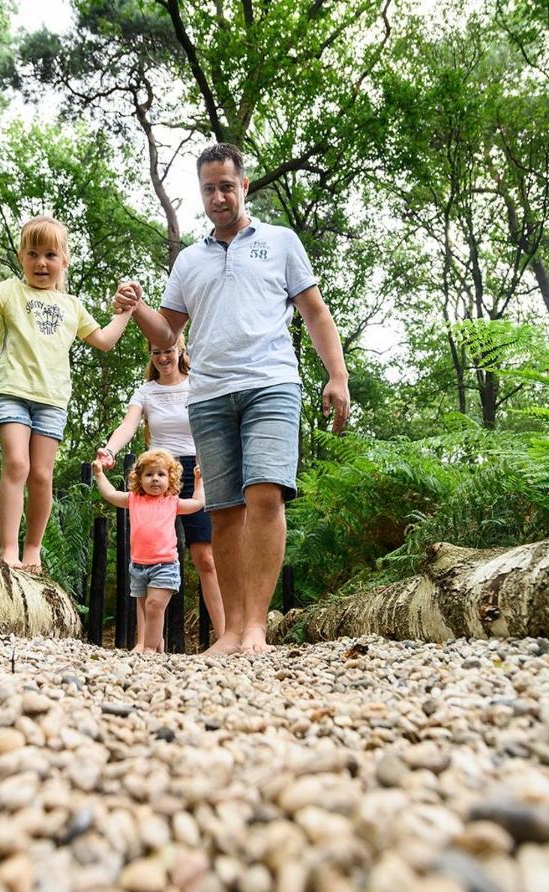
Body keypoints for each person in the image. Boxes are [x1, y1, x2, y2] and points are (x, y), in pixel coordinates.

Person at [115, 143, 350, 655]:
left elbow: (316, 313)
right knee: (223, 511)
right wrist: (136, 311)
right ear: (200, 194)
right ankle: (231, 631)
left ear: (244, 187)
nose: (218, 196)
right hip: (210, 395)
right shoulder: (189, 260)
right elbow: (167, 335)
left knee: (264, 495)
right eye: (208, 188)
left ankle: (256, 629)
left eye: (227, 185)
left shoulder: (281, 242)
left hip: (272, 384)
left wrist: (338, 375)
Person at [0, 215, 135, 573]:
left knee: (41, 475)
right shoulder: (10, 292)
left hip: (52, 400)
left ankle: (32, 549)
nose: (41, 262)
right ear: (22, 257)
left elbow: (103, 341)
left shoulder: (72, 306)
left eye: (50, 254)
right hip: (12, 392)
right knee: (16, 464)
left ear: (64, 260)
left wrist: (125, 313)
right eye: (33, 253)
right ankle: (8, 548)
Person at [94, 333, 225, 646]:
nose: (163, 358)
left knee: (205, 557)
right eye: (156, 352)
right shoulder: (146, 391)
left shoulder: (198, 383)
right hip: (157, 471)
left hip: (195, 470)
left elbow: (215, 423)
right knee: (147, 558)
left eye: (168, 350)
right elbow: (129, 425)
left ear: (180, 349)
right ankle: (145, 644)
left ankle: (225, 636)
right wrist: (109, 450)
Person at [92, 449, 205, 652]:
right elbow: (110, 494)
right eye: (149, 474)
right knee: (144, 609)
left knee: (154, 605)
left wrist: (199, 482)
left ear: (170, 479)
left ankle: (149, 649)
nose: (155, 479)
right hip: (138, 565)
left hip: (165, 564)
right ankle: (154, 642)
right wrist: (100, 475)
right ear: (139, 478)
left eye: (161, 474)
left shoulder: (172, 502)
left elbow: (197, 503)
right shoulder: (134, 499)